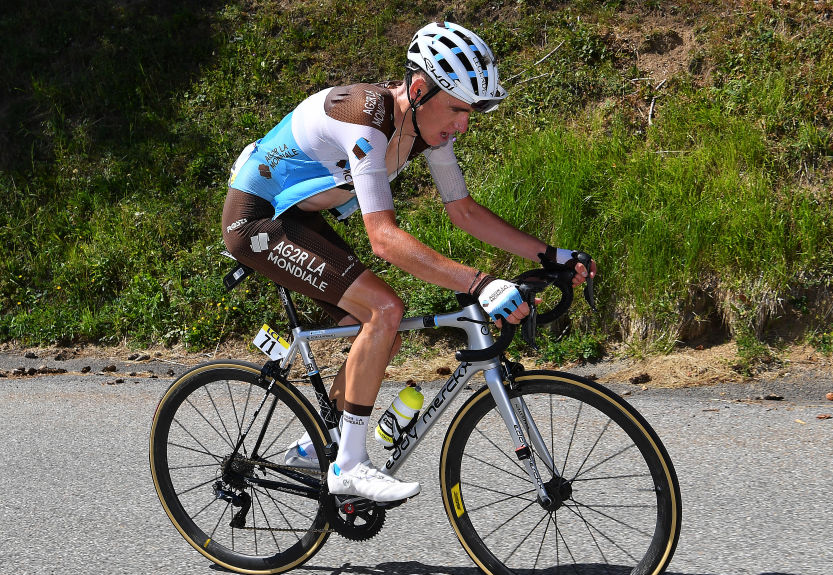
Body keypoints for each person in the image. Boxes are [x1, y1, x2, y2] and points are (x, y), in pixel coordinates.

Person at [221, 21, 596, 503]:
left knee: (384, 332)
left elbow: (463, 211)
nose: (463, 124)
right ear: (419, 90)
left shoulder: (428, 130)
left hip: (299, 216)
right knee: (384, 309)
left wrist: (552, 255)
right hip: (256, 220)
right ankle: (350, 465)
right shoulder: (364, 117)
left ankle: (313, 448)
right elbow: (383, 238)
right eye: (458, 109)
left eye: (469, 113)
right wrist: (481, 283)